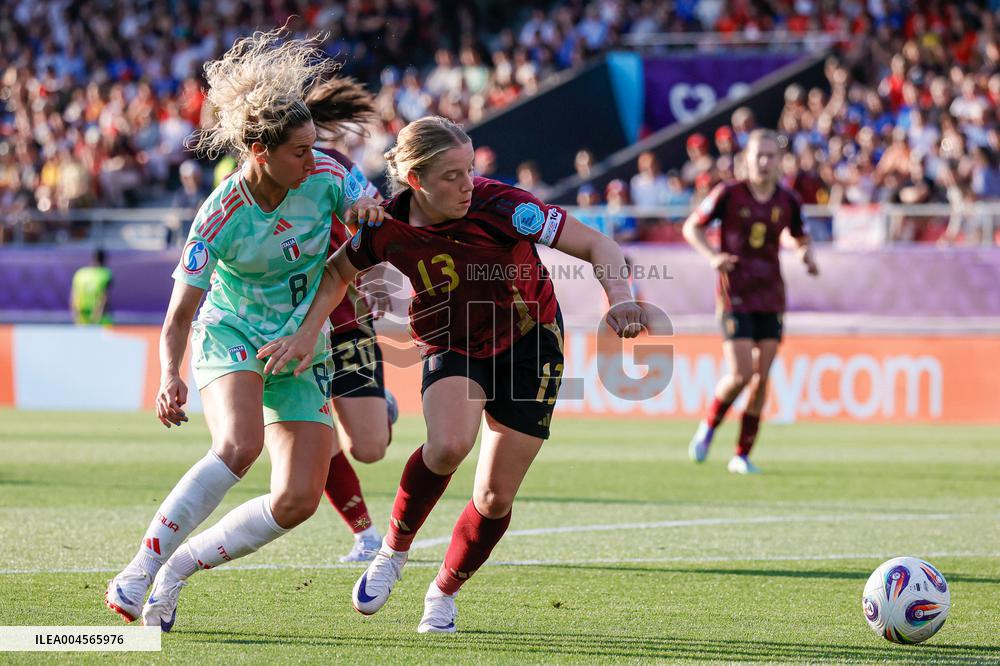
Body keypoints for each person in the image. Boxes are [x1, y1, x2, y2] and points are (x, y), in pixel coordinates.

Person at [258, 116, 646, 634]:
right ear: (415, 180)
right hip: (451, 342)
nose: (468, 185)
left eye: (469, 169)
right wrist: (308, 332)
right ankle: (392, 553)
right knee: (446, 446)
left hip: (530, 344)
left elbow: (601, 246)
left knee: (494, 497)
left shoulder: (506, 206)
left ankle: (442, 592)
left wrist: (619, 298)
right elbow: (336, 272)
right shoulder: (387, 224)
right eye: (451, 176)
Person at [103, 28, 382, 630]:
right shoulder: (220, 214)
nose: (315, 161)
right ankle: (139, 569)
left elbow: (369, 208)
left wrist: (368, 214)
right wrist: (168, 378)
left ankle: (178, 569)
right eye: (300, 152)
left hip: (300, 341)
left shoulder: (329, 174)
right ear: (260, 152)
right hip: (231, 330)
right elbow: (179, 313)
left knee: (299, 499)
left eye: (314, 147)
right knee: (238, 445)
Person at [682, 129, 819, 475]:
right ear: (746, 159)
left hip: (771, 293)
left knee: (762, 377)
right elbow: (692, 228)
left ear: (779, 161)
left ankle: (741, 455)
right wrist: (713, 256)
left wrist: (807, 256)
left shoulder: (787, 200)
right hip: (735, 292)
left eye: (771, 156)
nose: (764, 162)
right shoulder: (729, 194)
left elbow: (801, 237)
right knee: (742, 373)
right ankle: (709, 426)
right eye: (758, 155)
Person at [305, 75, 398, 562]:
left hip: (343, 319)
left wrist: (376, 273)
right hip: (283, 329)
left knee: (369, 448)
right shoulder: (244, 182)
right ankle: (364, 535)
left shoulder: (335, 167)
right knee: (310, 438)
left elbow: (372, 214)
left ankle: (378, 407)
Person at [70, 248, 113, 325]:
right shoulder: (106, 274)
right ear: (104, 260)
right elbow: (104, 297)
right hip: (99, 317)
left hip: (82, 316)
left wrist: (75, 315)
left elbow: (74, 296)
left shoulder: (80, 273)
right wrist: (97, 315)